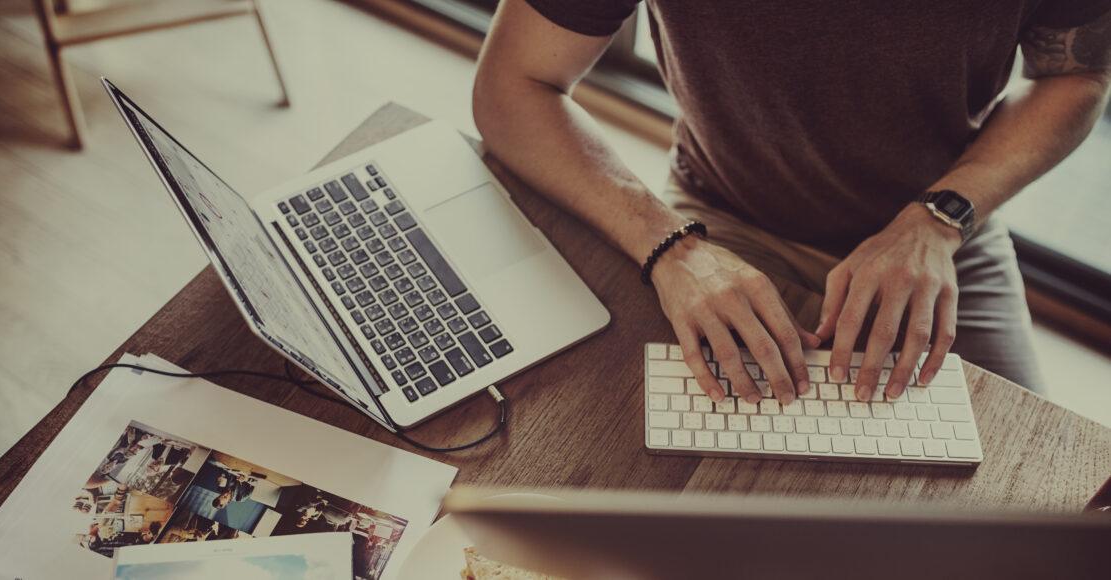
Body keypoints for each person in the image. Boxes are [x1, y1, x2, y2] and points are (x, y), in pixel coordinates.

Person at [473, 0, 1111, 402]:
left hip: (945, 223)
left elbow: (1076, 76)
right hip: (722, 217)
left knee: (1030, 519)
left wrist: (939, 220)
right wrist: (671, 247)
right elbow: (514, 86)